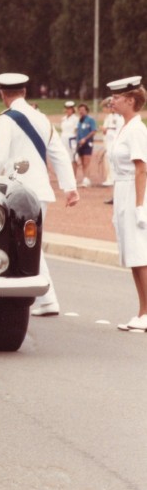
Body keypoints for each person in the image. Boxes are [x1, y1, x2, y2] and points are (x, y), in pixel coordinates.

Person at [0, 73, 79, 316]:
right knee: (29, 244)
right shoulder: (42, 118)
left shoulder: (6, 120)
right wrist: (70, 188)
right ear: (24, 92)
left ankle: (46, 299)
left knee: (26, 245)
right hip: (41, 190)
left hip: (17, 192)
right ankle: (45, 299)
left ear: (2, 94)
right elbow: (58, 154)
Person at [102, 77, 147, 331]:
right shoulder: (125, 127)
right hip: (123, 189)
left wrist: (139, 206)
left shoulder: (137, 130)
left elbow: (142, 169)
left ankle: (146, 311)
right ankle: (142, 311)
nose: (113, 101)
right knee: (132, 254)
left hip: (133, 190)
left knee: (141, 253)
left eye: (117, 98)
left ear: (131, 100)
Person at [101, 97, 124, 193]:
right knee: (108, 160)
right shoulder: (109, 117)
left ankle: (113, 179)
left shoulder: (119, 117)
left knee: (113, 161)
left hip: (114, 142)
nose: (110, 108)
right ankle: (110, 178)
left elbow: (118, 131)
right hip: (108, 141)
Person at [74, 103, 98, 188]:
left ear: (86, 111)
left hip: (87, 143)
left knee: (86, 161)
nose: (81, 112)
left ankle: (87, 178)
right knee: (82, 161)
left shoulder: (90, 120)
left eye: (83, 110)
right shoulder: (79, 120)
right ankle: (85, 178)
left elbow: (94, 131)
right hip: (80, 143)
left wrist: (85, 139)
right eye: (80, 110)